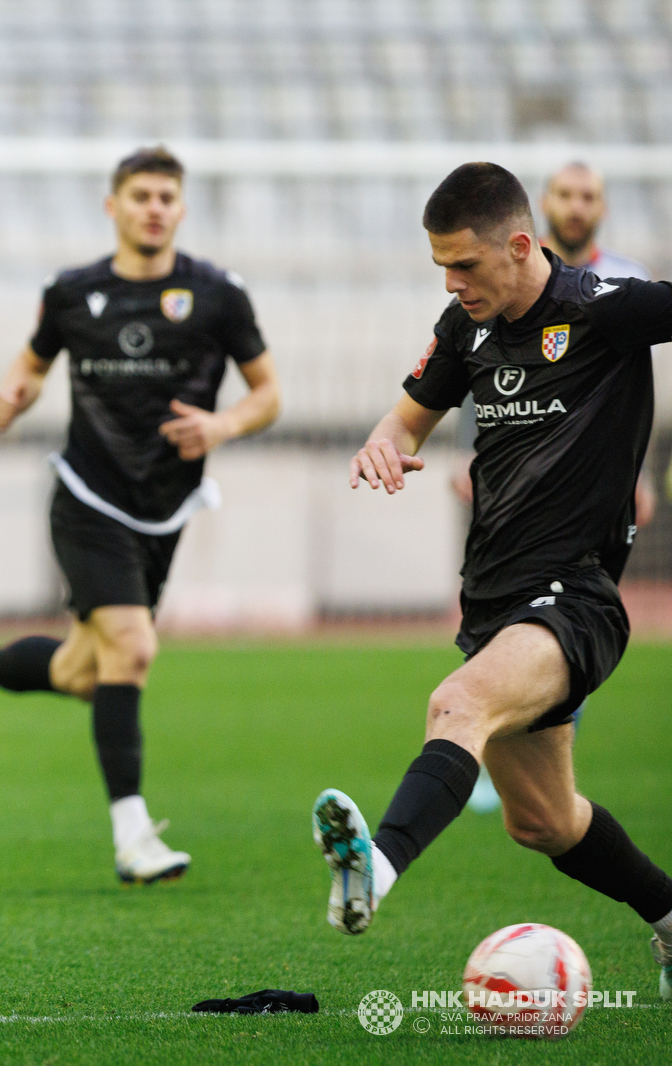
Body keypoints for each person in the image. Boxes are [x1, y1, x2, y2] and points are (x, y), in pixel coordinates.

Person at [314, 163, 672, 1000]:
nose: (452, 282)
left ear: (518, 245)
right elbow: (407, 417)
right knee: (543, 820)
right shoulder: (464, 327)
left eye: (465, 264)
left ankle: (375, 869)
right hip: (494, 604)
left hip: (577, 597)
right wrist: (383, 443)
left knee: (457, 705)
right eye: (441, 265)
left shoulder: (602, 309)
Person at [0, 147, 281, 886]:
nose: (154, 208)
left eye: (166, 197)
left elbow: (268, 393)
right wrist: (9, 399)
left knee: (85, 672)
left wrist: (222, 425)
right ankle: (133, 836)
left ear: (181, 209)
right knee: (133, 651)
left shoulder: (217, 295)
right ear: (113, 207)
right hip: (87, 498)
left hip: (164, 509)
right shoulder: (72, 292)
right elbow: (30, 367)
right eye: (141, 195)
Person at [454, 160, 656, 815]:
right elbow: (477, 367)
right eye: (565, 194)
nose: (576, 206)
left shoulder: (620, 282)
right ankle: (505, 749)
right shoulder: (498, 281)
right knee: (504, 605)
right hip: (511, 479)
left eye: (587, 195)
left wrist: (641, 472)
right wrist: (465, 452)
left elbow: (634, 385)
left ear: (601, 207)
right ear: (542, 207)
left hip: (590, 487)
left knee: (567, 612)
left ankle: (522, 744)